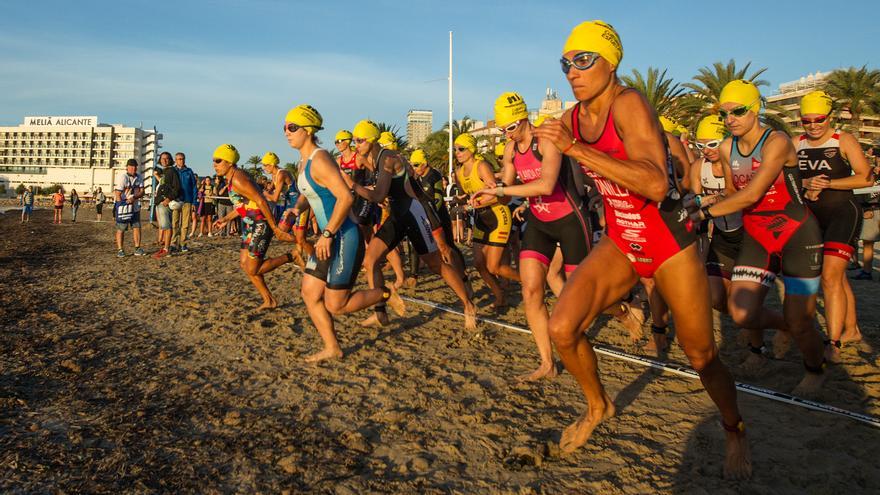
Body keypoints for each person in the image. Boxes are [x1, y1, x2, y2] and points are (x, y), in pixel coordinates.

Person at [532, 21, 750, 479]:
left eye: (583, 60)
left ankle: (735, 430)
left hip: (667, 241)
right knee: (563, 327)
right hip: (621, 240)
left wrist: (576, 149)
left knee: (701, 356)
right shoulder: (572, 117)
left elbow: (654, 182)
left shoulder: (629, 104)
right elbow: (549, 177)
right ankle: (599, 405)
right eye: (566, 63)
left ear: (611, 63)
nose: (573, 70)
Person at [474, 91, 644, 380]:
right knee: (531, 291)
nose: (508, 134)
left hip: (569, 220)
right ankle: (547, 363)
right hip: (539, 222)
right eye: (503, 130)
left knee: (585, 296)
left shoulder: (547, 140)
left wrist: (500, 191)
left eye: (512, 128)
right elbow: (508, 189)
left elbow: (545, 184)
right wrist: (486, 194)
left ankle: (622, 310)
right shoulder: (510, 150)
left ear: (524, 118)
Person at [693, 80, 827, 397]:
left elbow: (753, 192)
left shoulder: (776, 141)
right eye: (723, 114)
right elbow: (731, 192)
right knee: (741, 313)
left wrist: (703, 215)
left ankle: (814, 369)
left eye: (737, 111)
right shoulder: (726, 148)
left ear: (755, 109)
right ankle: (784, 328)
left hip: (797, 233)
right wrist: (703, 201)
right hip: (758, 235)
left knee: (802, 321)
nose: (730, 120)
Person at [281, 104, 405, 362]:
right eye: (284, 128)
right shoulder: (304, 161)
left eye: (291, 128)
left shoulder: (321, 158)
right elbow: (312, 193)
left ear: (307, 130)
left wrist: (327, 234)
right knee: (309, 293)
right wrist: (296, 208)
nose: (286, 132)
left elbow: (345, 197)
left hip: (343, 237)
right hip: (329, 237)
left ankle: (385, 293)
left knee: (336, 305)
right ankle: (332, 347)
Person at [348, 119, 477, 330]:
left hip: (413, 213)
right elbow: (384, 193)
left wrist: (352, 185)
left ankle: (468, 304)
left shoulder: (387, 158)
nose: (356, 145)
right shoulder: (376, 161)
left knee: (436, 264)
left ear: (371, 140)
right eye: (355, 141)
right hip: (397, 215)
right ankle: (380, 312)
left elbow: (378, 194)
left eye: (360, 140)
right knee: (370, 261)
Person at [795, 90, 871, 361]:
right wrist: (806, 186)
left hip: (843, 212)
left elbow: (866, 178)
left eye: (819, 119)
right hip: (812, 215)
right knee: (835, 277)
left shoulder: (843, 140)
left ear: (829, 117)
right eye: (807, 120)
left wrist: (829, 184)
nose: (813, 125)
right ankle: (851, 330)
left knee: (829, 276)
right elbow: (785, 179)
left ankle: (833, 343)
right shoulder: (796, 143)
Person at [212, 144, 295, 310]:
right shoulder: (232, 176)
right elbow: (245, 204)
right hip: (250, 225)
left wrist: (275, 228)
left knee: (253, 267)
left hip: (261, 223)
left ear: (229, 162)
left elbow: (261, 201)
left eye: (218, 161)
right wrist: (227, 218)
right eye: (214, 160)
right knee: (245, 264)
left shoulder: (238, 179)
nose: (214, 164)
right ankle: (269, 300)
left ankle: (292, 256)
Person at [454, 133, 519, 310]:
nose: (457, 153)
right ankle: (499, 296)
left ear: (471, 149)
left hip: (498, 214)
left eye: (461, 149)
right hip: (481, 218)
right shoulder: (459, 173)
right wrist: (460, 201)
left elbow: (498, 194)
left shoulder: (481, 166)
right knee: (478, 263)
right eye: (455, 150)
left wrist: (476, 202)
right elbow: (468, 195)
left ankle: (529, 282)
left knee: (494, 266)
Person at [854, 160, 880, 280]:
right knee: (868, 242)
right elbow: (858, 190)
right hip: (870, 210)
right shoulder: (867, 172)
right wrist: (865, 209)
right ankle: (866, 271)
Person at [114, 159, 145, 257]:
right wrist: (121, 206)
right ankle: (120, 249)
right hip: (124, 207)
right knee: (121, 228)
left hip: (135, 207)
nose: (133, 168)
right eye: (131, 166)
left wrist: (134, 197)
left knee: (136, 227)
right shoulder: (123, 177)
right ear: (127, 167)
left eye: (135, 167)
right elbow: (118, 193)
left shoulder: (139, 177)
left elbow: (142, 191)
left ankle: (137, 248)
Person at [153, 152, 181, 258]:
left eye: (167, 158)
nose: (164, 160)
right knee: (164, 226)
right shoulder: (164, 172)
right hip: (160, 201)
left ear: (170, 160)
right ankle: (165, 246)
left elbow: (177, 188)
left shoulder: (172, 171)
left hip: (165, 202)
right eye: (162, 158)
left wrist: (168, 198)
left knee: (167, 226)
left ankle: (167, 249)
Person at [172, 152, 198, 254]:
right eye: (179, 159)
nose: (181, 161)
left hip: (187, 200)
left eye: (183, 159)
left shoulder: (189, 171)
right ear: (175, 160)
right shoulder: (173, 171)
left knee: (185, 224)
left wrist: (194, 202)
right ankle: (174, 243)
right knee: (175, 223)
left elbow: (194, 187)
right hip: (176, 200)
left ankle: (183, 243)